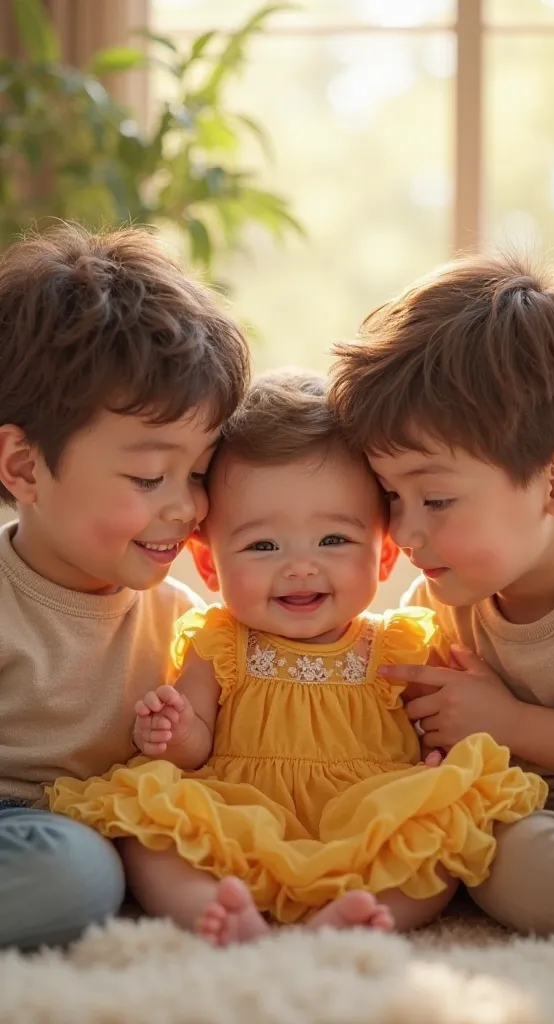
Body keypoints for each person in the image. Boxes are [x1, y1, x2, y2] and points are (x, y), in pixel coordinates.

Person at [49, 371, 546, 947]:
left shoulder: (399, 644)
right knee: (150, 830)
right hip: (241, 809)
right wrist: (173, 728)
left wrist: (440, 763)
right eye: (263, 546)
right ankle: (215, 912)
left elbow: (437, 725)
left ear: (384, 557)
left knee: (440, 830)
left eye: (334, 540)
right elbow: (195, 745)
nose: (301, 566)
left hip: (367, 811)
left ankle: (357, 915)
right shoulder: (221, 642)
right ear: (210, 568)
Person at [0, 223, 249, 949]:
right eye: (148, 477)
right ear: (23, 468)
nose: (187, 506)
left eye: (199, 473)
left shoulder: (187, 625)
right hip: (28, 833)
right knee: (76, 874)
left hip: (113, 825)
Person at [329, 253, 554, 935]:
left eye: (436, 497)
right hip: (542, 826)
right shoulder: (438, 608)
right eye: (390, 495)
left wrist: (510, 725)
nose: (405, 531)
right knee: (496, 857)